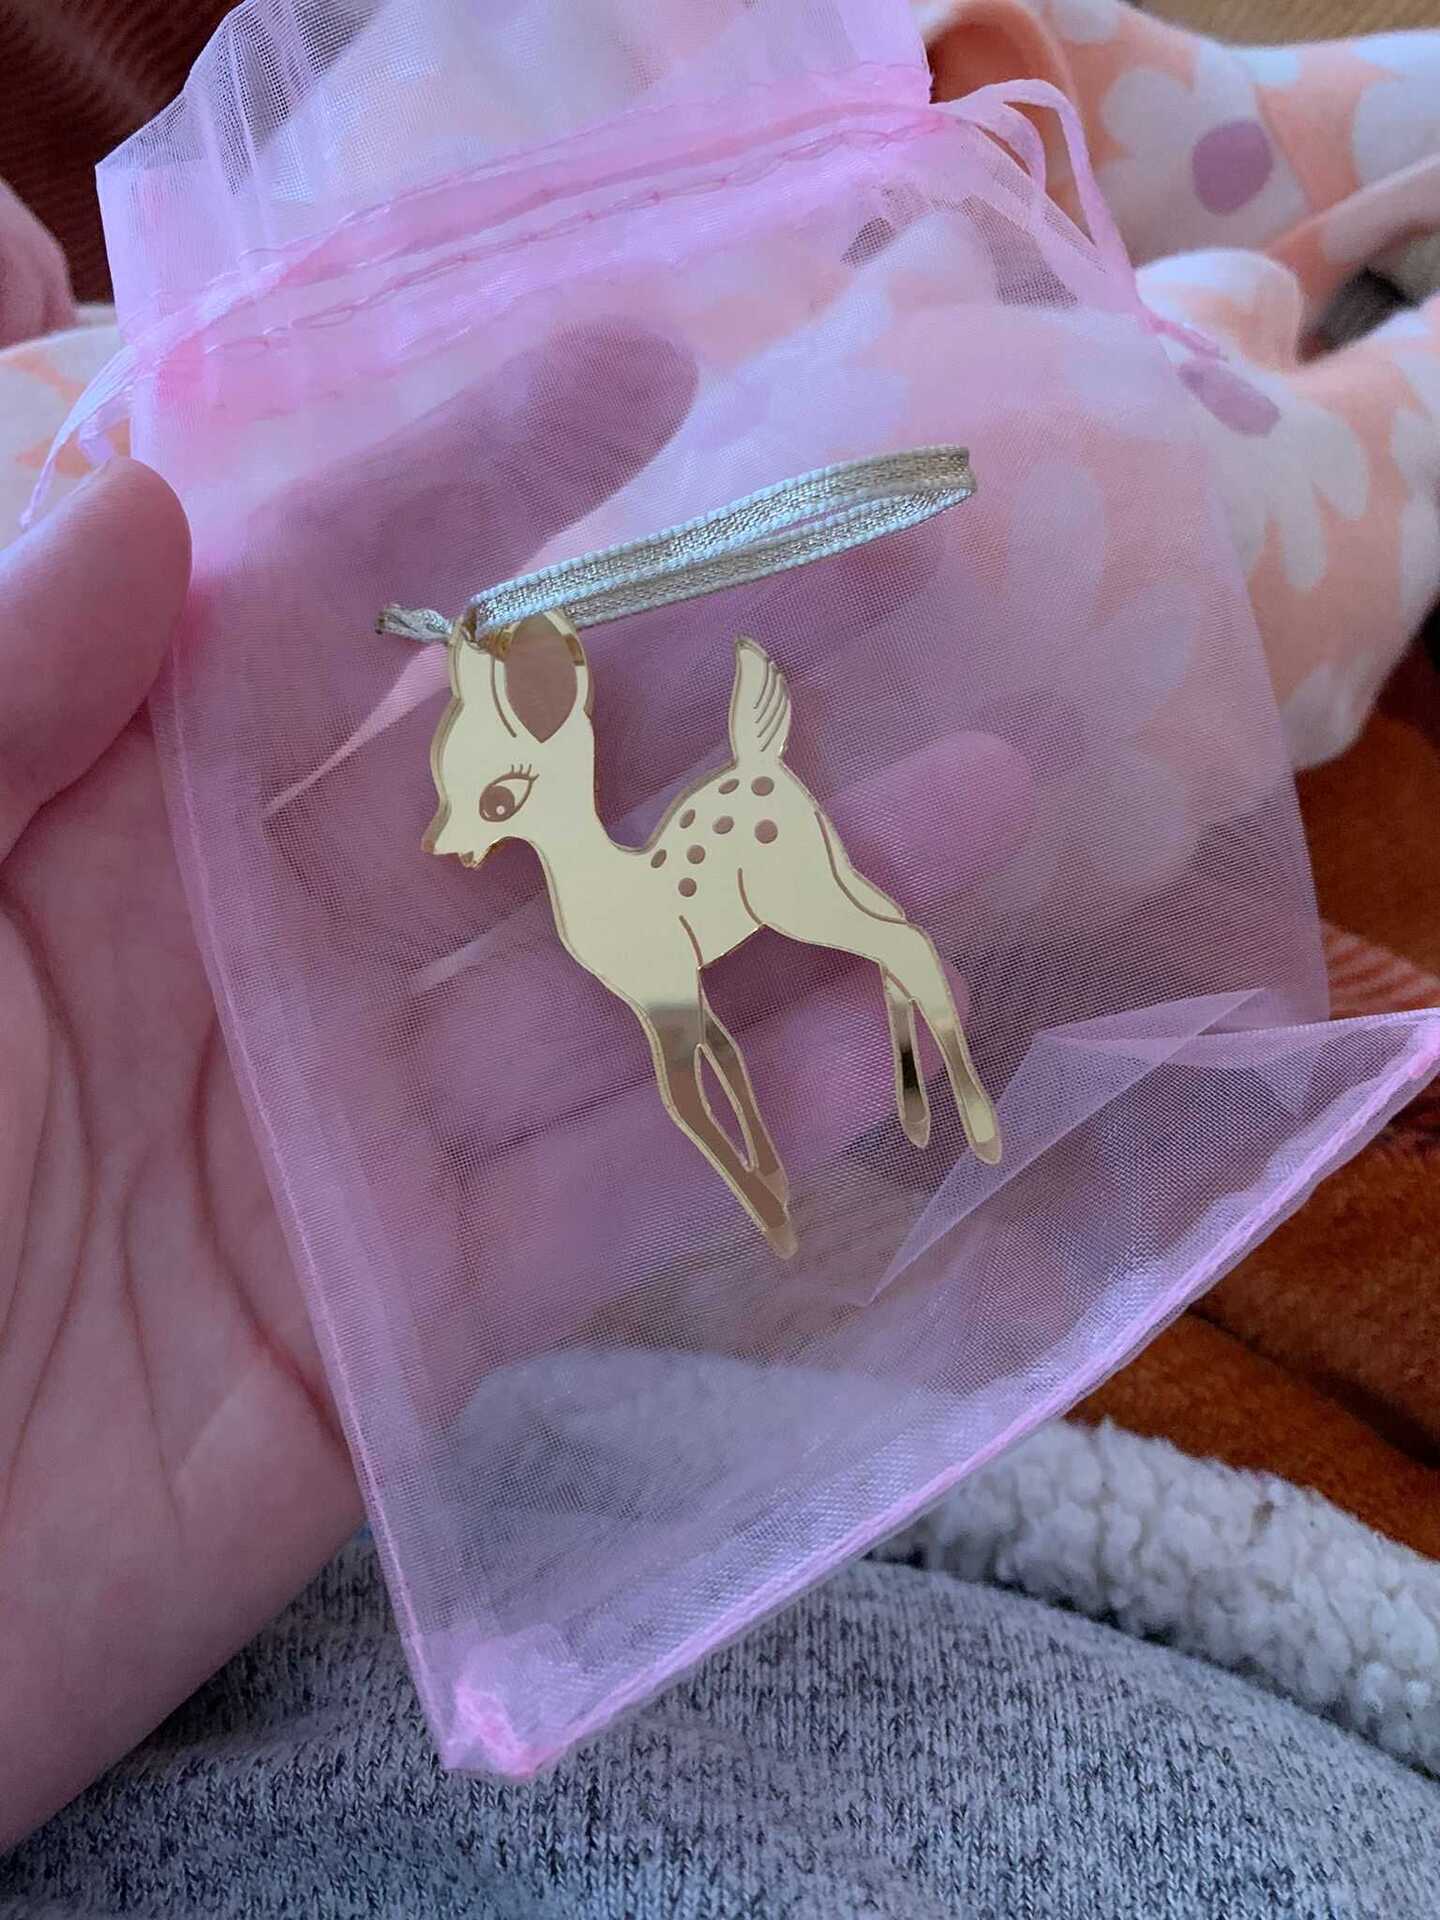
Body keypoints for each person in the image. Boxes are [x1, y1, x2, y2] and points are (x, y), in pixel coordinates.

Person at [1, 460, 1439, 1916]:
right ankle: (808, 1133)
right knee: (702, 1049)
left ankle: (929, 1039)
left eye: (491, 799)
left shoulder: (621, 822)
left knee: (872, 940)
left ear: (550, 757)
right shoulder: (572, 894)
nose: (461, 834)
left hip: (720, 835)